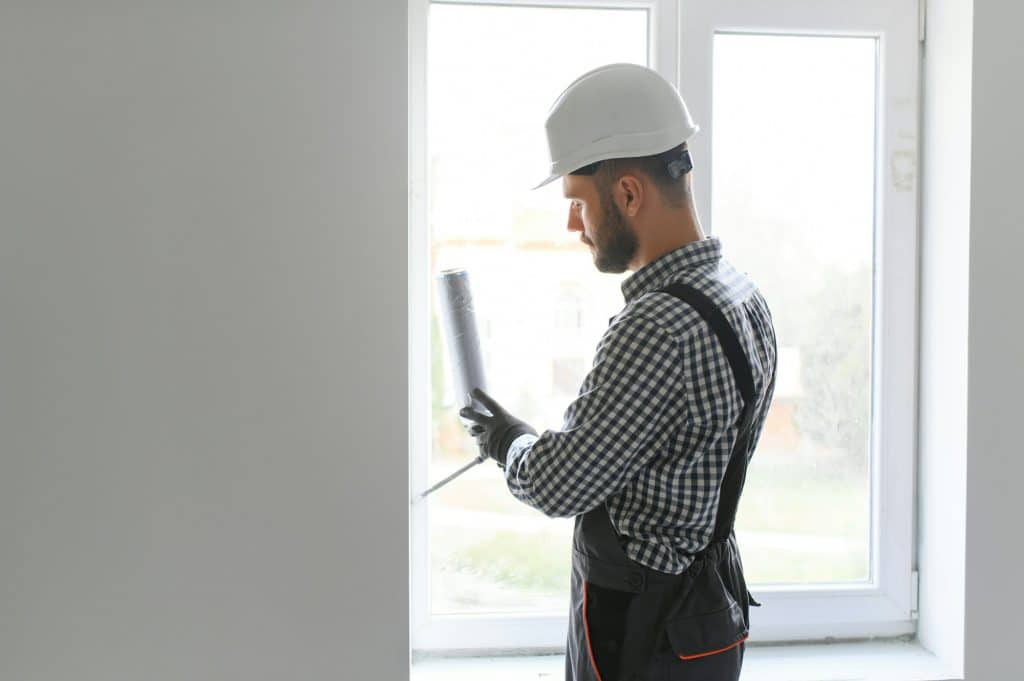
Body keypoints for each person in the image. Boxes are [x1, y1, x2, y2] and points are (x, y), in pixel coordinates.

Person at [459, 63, 778, 681]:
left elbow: (559, 485)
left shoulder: (656, 326)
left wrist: (508, 441)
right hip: (705, 617)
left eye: (578, 202)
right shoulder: (743, 296)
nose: (573, 226)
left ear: (629, 193)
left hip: (643, 631)